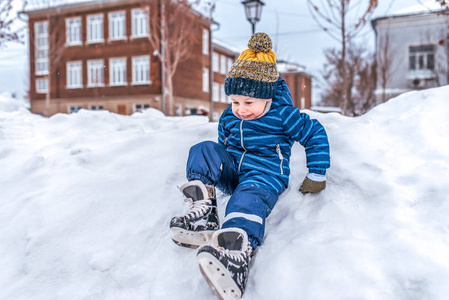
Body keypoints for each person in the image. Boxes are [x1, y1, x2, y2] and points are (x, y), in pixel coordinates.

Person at [170, 32, 330, 299]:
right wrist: (218, 164)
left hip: (264, 176)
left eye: (248, 103)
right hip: (235, 170)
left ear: (267, 98)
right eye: (234, 102)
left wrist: (317, 172)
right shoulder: (228, 117)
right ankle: (203, 214)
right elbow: (223, 143)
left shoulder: (283, 116)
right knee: (203, 150)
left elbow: (314, 134)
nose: (241, 109)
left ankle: (236, 252)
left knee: (245, 200)